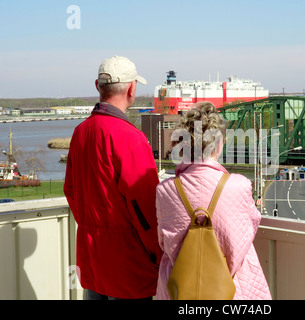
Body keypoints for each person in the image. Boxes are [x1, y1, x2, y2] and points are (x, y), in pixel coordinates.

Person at [64, 55, 163, 300]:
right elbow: (146, 208)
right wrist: (160, 254)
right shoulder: (131, 138)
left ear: (98, 87)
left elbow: (71, 191)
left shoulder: (81, 133)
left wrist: (92, 227)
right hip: (129, 266)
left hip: (93, 259)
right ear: (131, 88)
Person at [155, 101, 272, 300]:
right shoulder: (240, 186)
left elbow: (162, 240)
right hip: (233, 290)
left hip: (180, 292)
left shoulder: (165, 191)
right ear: (218, 145)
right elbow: (248, 230)